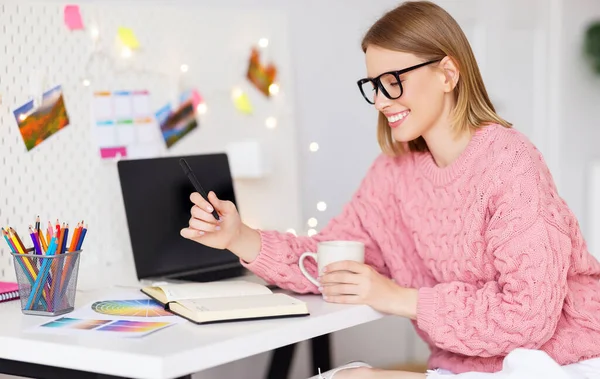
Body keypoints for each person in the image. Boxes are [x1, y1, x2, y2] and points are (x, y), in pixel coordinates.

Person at [180, 1, 600, 378]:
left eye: (393, 80)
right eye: (374, 85)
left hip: (562, 361)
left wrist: (400, 298)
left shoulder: (510, 163)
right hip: (466, 368)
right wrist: (241, 238)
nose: (381, 101)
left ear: (448, 74)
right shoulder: (393, 174)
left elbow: (528, 316)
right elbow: (327, 259)